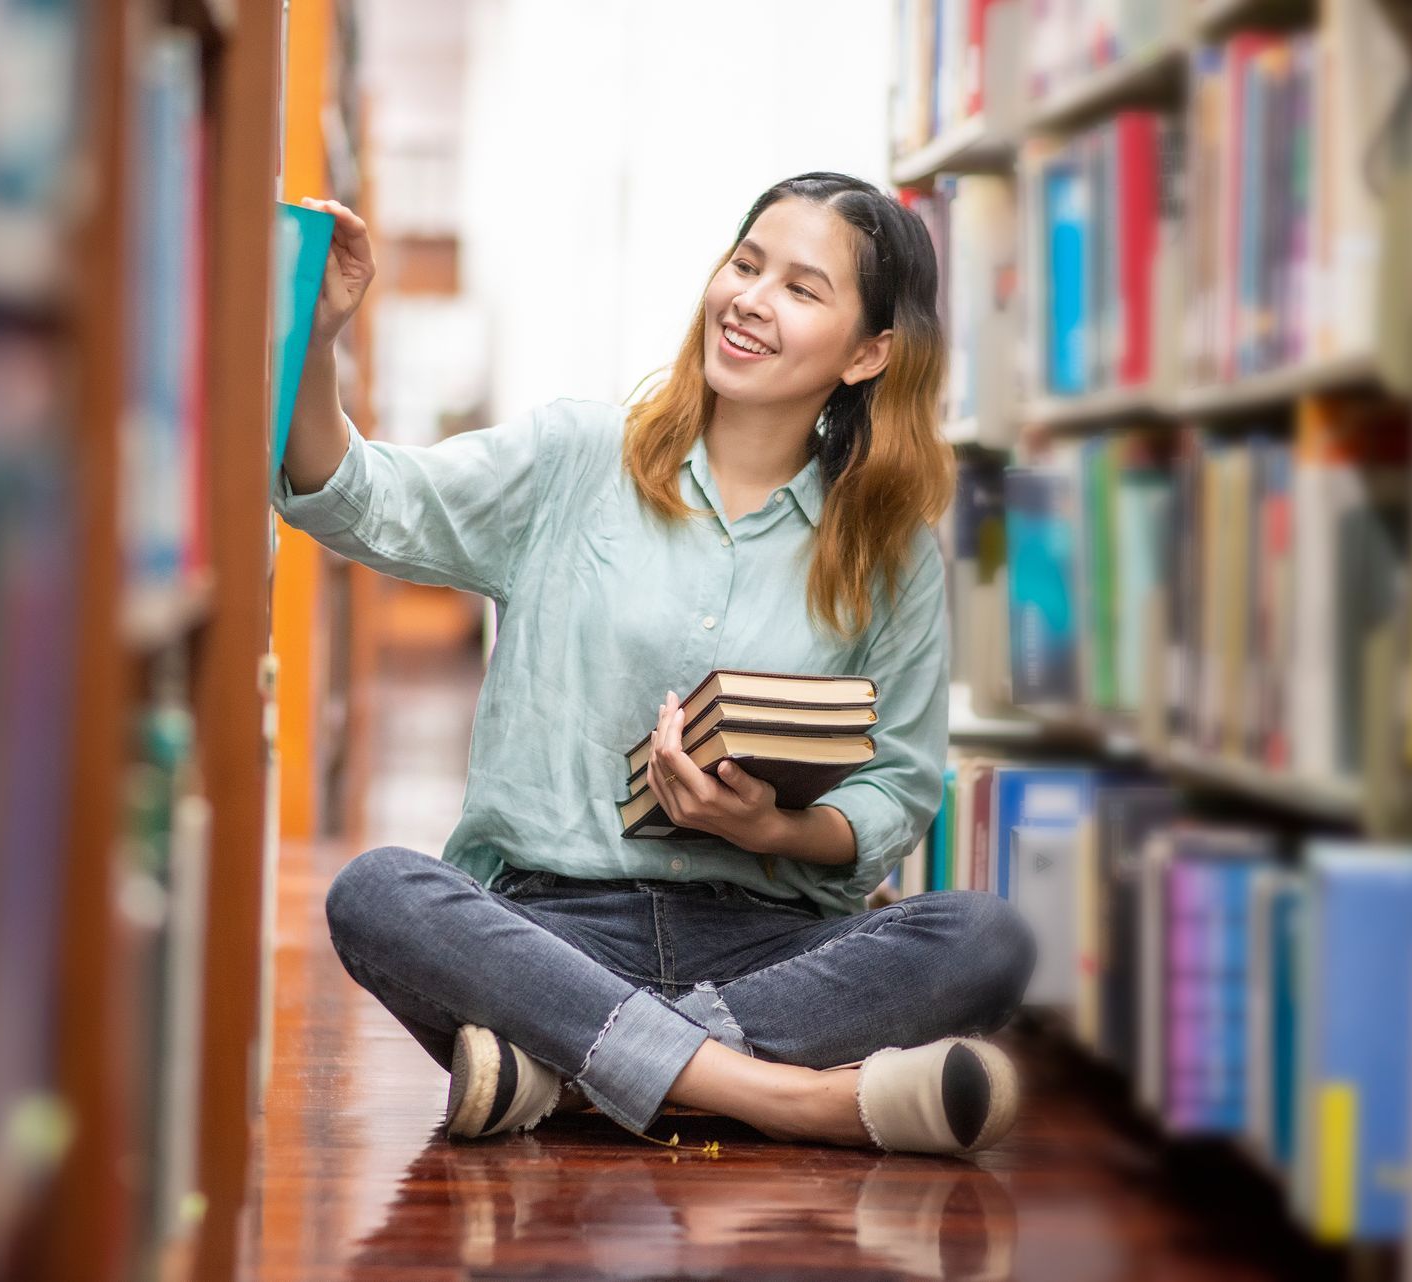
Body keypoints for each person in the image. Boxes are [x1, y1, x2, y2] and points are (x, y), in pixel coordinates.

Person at [275, 173, 1035, 1155]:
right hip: (551, 934)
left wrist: (776, 825)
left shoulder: (889, 549)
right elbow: (349, 493)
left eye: (802, 289)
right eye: (747, 263)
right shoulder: (577, 458)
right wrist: (319, 338)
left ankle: (564, 1072)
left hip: (768, 944)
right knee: (378, 892)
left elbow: (897, 785)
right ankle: (788, 1098)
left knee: (988, 938)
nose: (752, 299)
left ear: (869, 351)